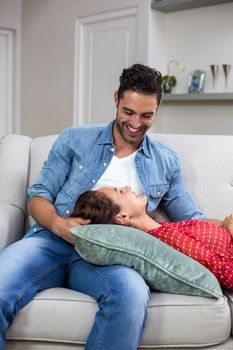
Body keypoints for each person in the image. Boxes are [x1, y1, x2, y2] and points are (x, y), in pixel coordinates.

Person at [0, 63, 209, 350]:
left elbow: (192, 221)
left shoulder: (166, 161)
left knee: (132, 296)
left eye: (147, 115)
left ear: (158, 109)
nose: (136, 123)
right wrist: (60, 226)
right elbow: (38, 195)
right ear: (116, 100)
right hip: (53, 239)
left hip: (113, 257)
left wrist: (226, 225)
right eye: (128, 112)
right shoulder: (75, 139)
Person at [72, 187, 233, 290]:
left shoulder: (164, 228)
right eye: (120, 192)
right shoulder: (167, 238)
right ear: (122, 217)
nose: (127, 188)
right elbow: (224, 272)